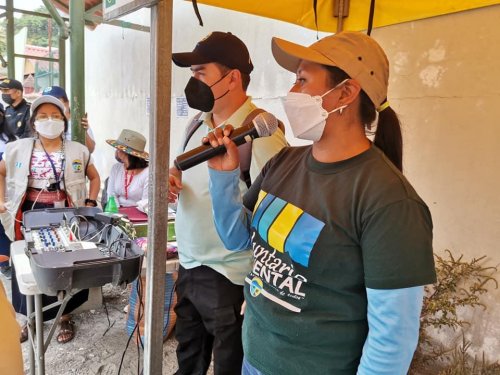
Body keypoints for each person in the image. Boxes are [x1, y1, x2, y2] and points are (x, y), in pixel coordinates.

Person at [205, 31, 437, 374]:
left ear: (345, 92)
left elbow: (392, 339)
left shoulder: (390, 202)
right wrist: (223, 178)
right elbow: (237, 239)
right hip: (255, 359)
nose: (292, 93)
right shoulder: (283, 163)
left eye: (302, 80)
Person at [168, 31, 288, 374]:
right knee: (188, 361)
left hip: (230, 276)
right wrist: (171, 175)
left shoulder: (260, 134)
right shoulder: (197, 123)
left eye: (200, 72)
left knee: (229, 366)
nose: (193, 81)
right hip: (189, 264)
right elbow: (180, 164)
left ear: (232, 77)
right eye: (191, 73)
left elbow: (278, 214)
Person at [0, 95, 101, 344]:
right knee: (28, 266)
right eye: (43, 116)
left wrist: (89, 201)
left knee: (64, 264)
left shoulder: (79, 150)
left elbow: (95, 177)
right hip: (28, 215)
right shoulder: (17, 149)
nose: (50, 121)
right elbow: (0, 172)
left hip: (65, 214)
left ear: (64, 122)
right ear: (34, 123)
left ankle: (64, 316)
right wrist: (1, 200)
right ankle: (29, 319)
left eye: (56, 116)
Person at [42, 85, 96, 153]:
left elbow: (91, 149)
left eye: (57, 102)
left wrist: (83, 131)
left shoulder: (78, 120)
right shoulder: (45, 122)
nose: (53, 107)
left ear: (67, 103)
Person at [106, 129, 149, 209]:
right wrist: (118, 214)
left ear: (126, 153)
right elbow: (111, 195)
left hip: (139, 215)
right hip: (117, 212)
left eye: (118, 148)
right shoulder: (116, 168)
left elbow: (146, 203)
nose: (116, 151)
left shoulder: (148, 173)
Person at [0, 103, 16, 279]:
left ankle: (10, 261)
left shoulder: (11, 139)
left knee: (7, 227)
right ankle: (4, 264)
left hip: (7, 190)